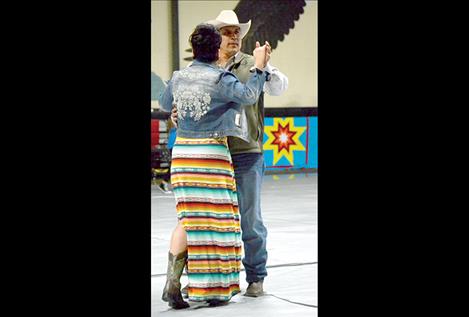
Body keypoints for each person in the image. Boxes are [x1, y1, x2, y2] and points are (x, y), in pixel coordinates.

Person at [174, 10, 289, 298]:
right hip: (211, 155)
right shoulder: (201, 69)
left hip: (244, 153)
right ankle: (204, 281)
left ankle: (255, 276)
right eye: (227, 31)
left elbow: (279, 87)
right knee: (206, 223)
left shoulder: (252, 63)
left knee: (249, 219)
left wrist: (266, 67)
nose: (234, 36)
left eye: (237, 31)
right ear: (216, 37)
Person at [159, 23, 269, 309]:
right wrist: (258, 67)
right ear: (215, 48)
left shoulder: (179, 76)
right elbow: (248, 95)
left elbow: (164, 102)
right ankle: (214, 290)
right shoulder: (221, 78)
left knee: (187, 219)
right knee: (218, 222)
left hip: (182, 153)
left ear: (194, 48)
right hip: (211, 154)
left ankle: (173, 282)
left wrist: (179, 109)